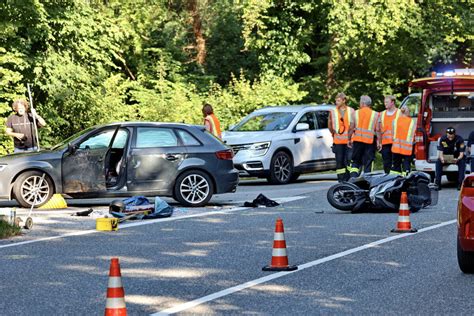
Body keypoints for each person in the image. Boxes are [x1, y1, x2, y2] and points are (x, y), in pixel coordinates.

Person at [348, 95, 378, 178]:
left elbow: (351, 128)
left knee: (355, 162)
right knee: (368, 162)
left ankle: (353, 180)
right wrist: (379, 142)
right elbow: (378, 130)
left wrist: (349, 139)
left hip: (357, 141)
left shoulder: (355, 113)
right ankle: (367, 181)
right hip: (370, 142)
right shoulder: (375, 114)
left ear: (362, 103)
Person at [328, 92, 354, 182]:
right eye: (336, 101)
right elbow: (330, 125)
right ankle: (341, 180)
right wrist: (334, 134)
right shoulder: (333, 111)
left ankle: (349, 179)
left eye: (338, 101)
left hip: (349, 141)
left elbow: (354, 125)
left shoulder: (351, 111)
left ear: (344, 100)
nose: (336, 102)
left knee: (349, 161)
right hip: (338, 142)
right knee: (339, 162)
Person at [377, 95, 400, 174]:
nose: (385, 104)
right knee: (386, 163)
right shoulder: (381, 114)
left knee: (396, 163)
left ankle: (396, 180)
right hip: (385, 143)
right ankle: (387, 179)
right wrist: (379, 142)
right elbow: (379, 129)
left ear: (392, 102)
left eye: (387, 102)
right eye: (384, 102)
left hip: (396, 143)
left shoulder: (400, 113)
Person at [390, 106, 415, 176]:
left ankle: (395, 180)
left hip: (396, 148)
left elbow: (392, 134)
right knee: (406, 165)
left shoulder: (395, 121)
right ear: (408, 112)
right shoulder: (412, 122)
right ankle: (405, 179)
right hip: (407, 148)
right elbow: (414, 135)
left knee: (395, 166)